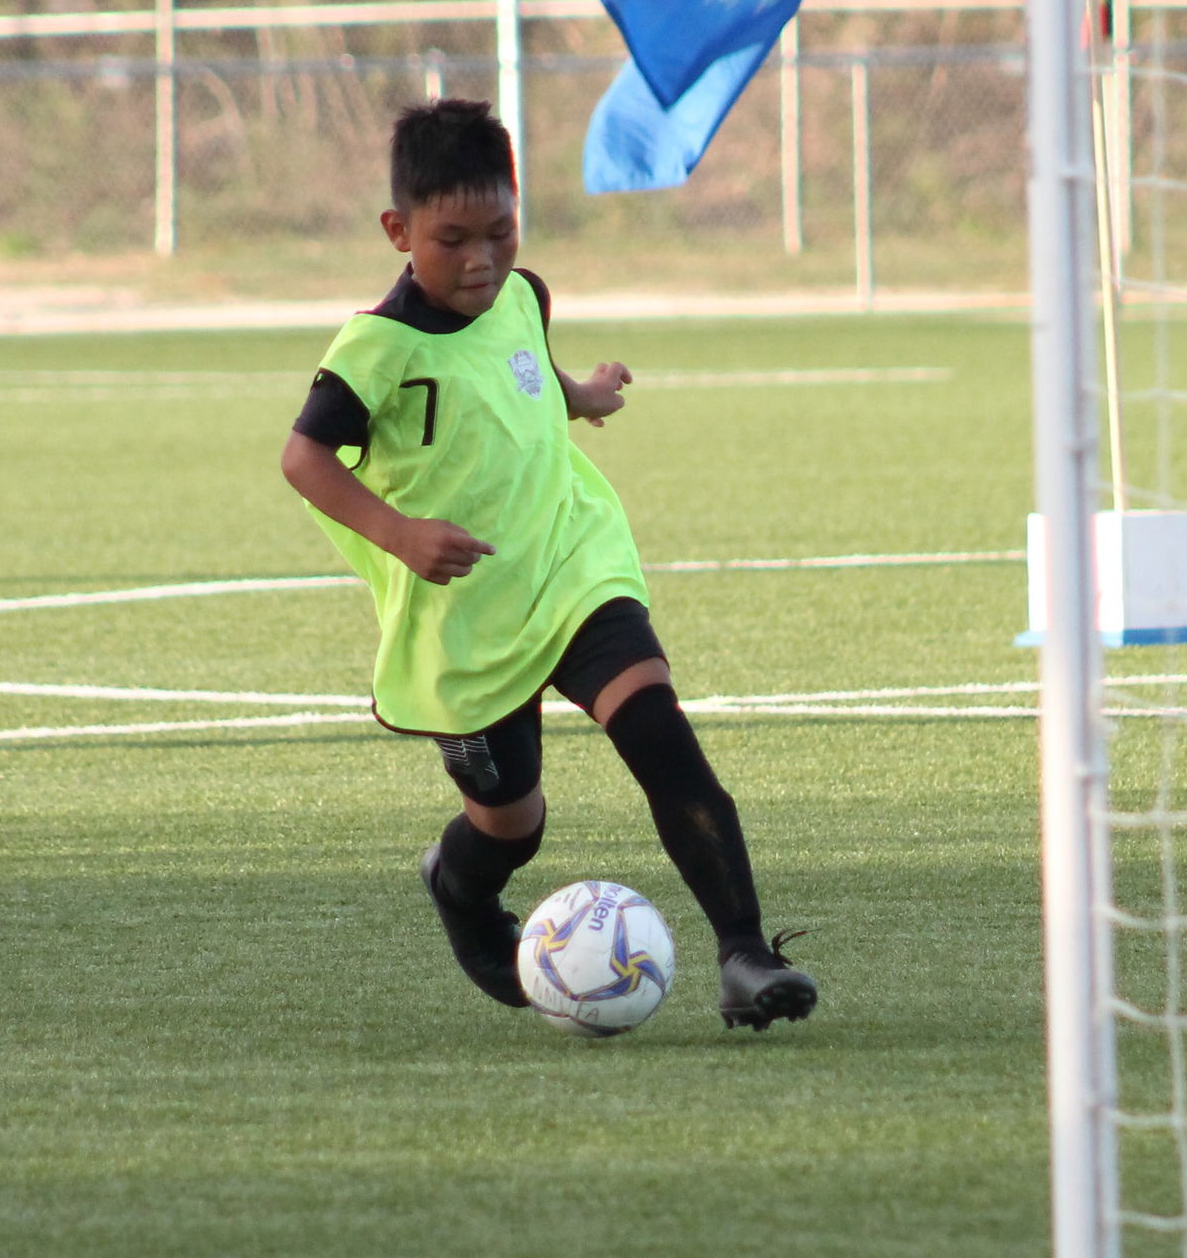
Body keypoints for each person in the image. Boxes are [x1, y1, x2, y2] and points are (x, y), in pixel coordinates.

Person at [280, 98, 815, 1032]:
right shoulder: (375, 349)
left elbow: (520, 370)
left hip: (570, 561)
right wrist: (403, 534)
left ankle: (744, 954)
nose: (481, 258)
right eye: (452, 240)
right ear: (398, 231)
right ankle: (459, 886)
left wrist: (582, 395)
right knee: (512, 825)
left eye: (501, 230)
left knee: (660, 736)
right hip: (468, 619)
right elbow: (303, 459)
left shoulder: (524, 292)